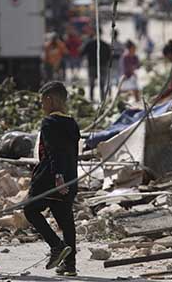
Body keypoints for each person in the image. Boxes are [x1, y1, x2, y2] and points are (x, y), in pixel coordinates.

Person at [24, 82, 80, 277]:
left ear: (49, 100)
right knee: (65, 219)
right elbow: (71, 154)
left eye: (42, 102)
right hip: (71, 177)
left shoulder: (49, 123)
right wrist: (66, 178)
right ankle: (70, 265)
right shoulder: (72, 123)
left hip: (50, 178)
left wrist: (58, 177)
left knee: (30, 209)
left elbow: (54, 152)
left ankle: (56, 246)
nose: (42, 106)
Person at [80, 31, 111, 101]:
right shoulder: (105, 44)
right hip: (102, 66)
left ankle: (91, 98)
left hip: (92, 66)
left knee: (91, 84)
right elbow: (109, 56)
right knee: (102, 84)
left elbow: (81, 53)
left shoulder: (89, 44)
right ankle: (102, 98)